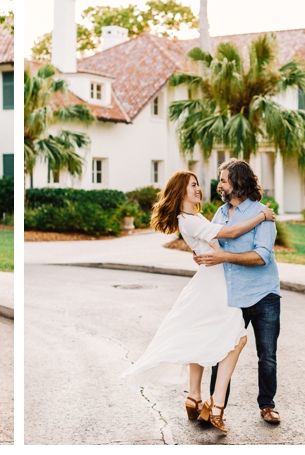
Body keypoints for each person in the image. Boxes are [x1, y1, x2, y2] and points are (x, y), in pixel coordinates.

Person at [120, 170, 275, 433]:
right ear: (181, 191)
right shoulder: (189, 220)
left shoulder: (193, 217)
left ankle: (195, 397)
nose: (199, 189)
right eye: (193, 185)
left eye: (197, 184)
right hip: (215, 285)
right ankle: (216, 405)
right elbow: (231, 232)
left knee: (204, 335)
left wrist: (198, 251)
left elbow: (203, 243)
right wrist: (263, 215)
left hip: (212, 281)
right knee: (237, 339)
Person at [197, 158, 281, 425]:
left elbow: (262, 257)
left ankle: (267, 405)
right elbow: (211, 245)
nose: (219, 184)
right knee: (222, 352)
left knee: (266, 354)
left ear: (238, 182)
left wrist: (224, 257)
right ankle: (214, 405)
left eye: (223, 179)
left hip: (263, 295)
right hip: (231, 296)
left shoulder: (262, 214)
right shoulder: (220, 214)